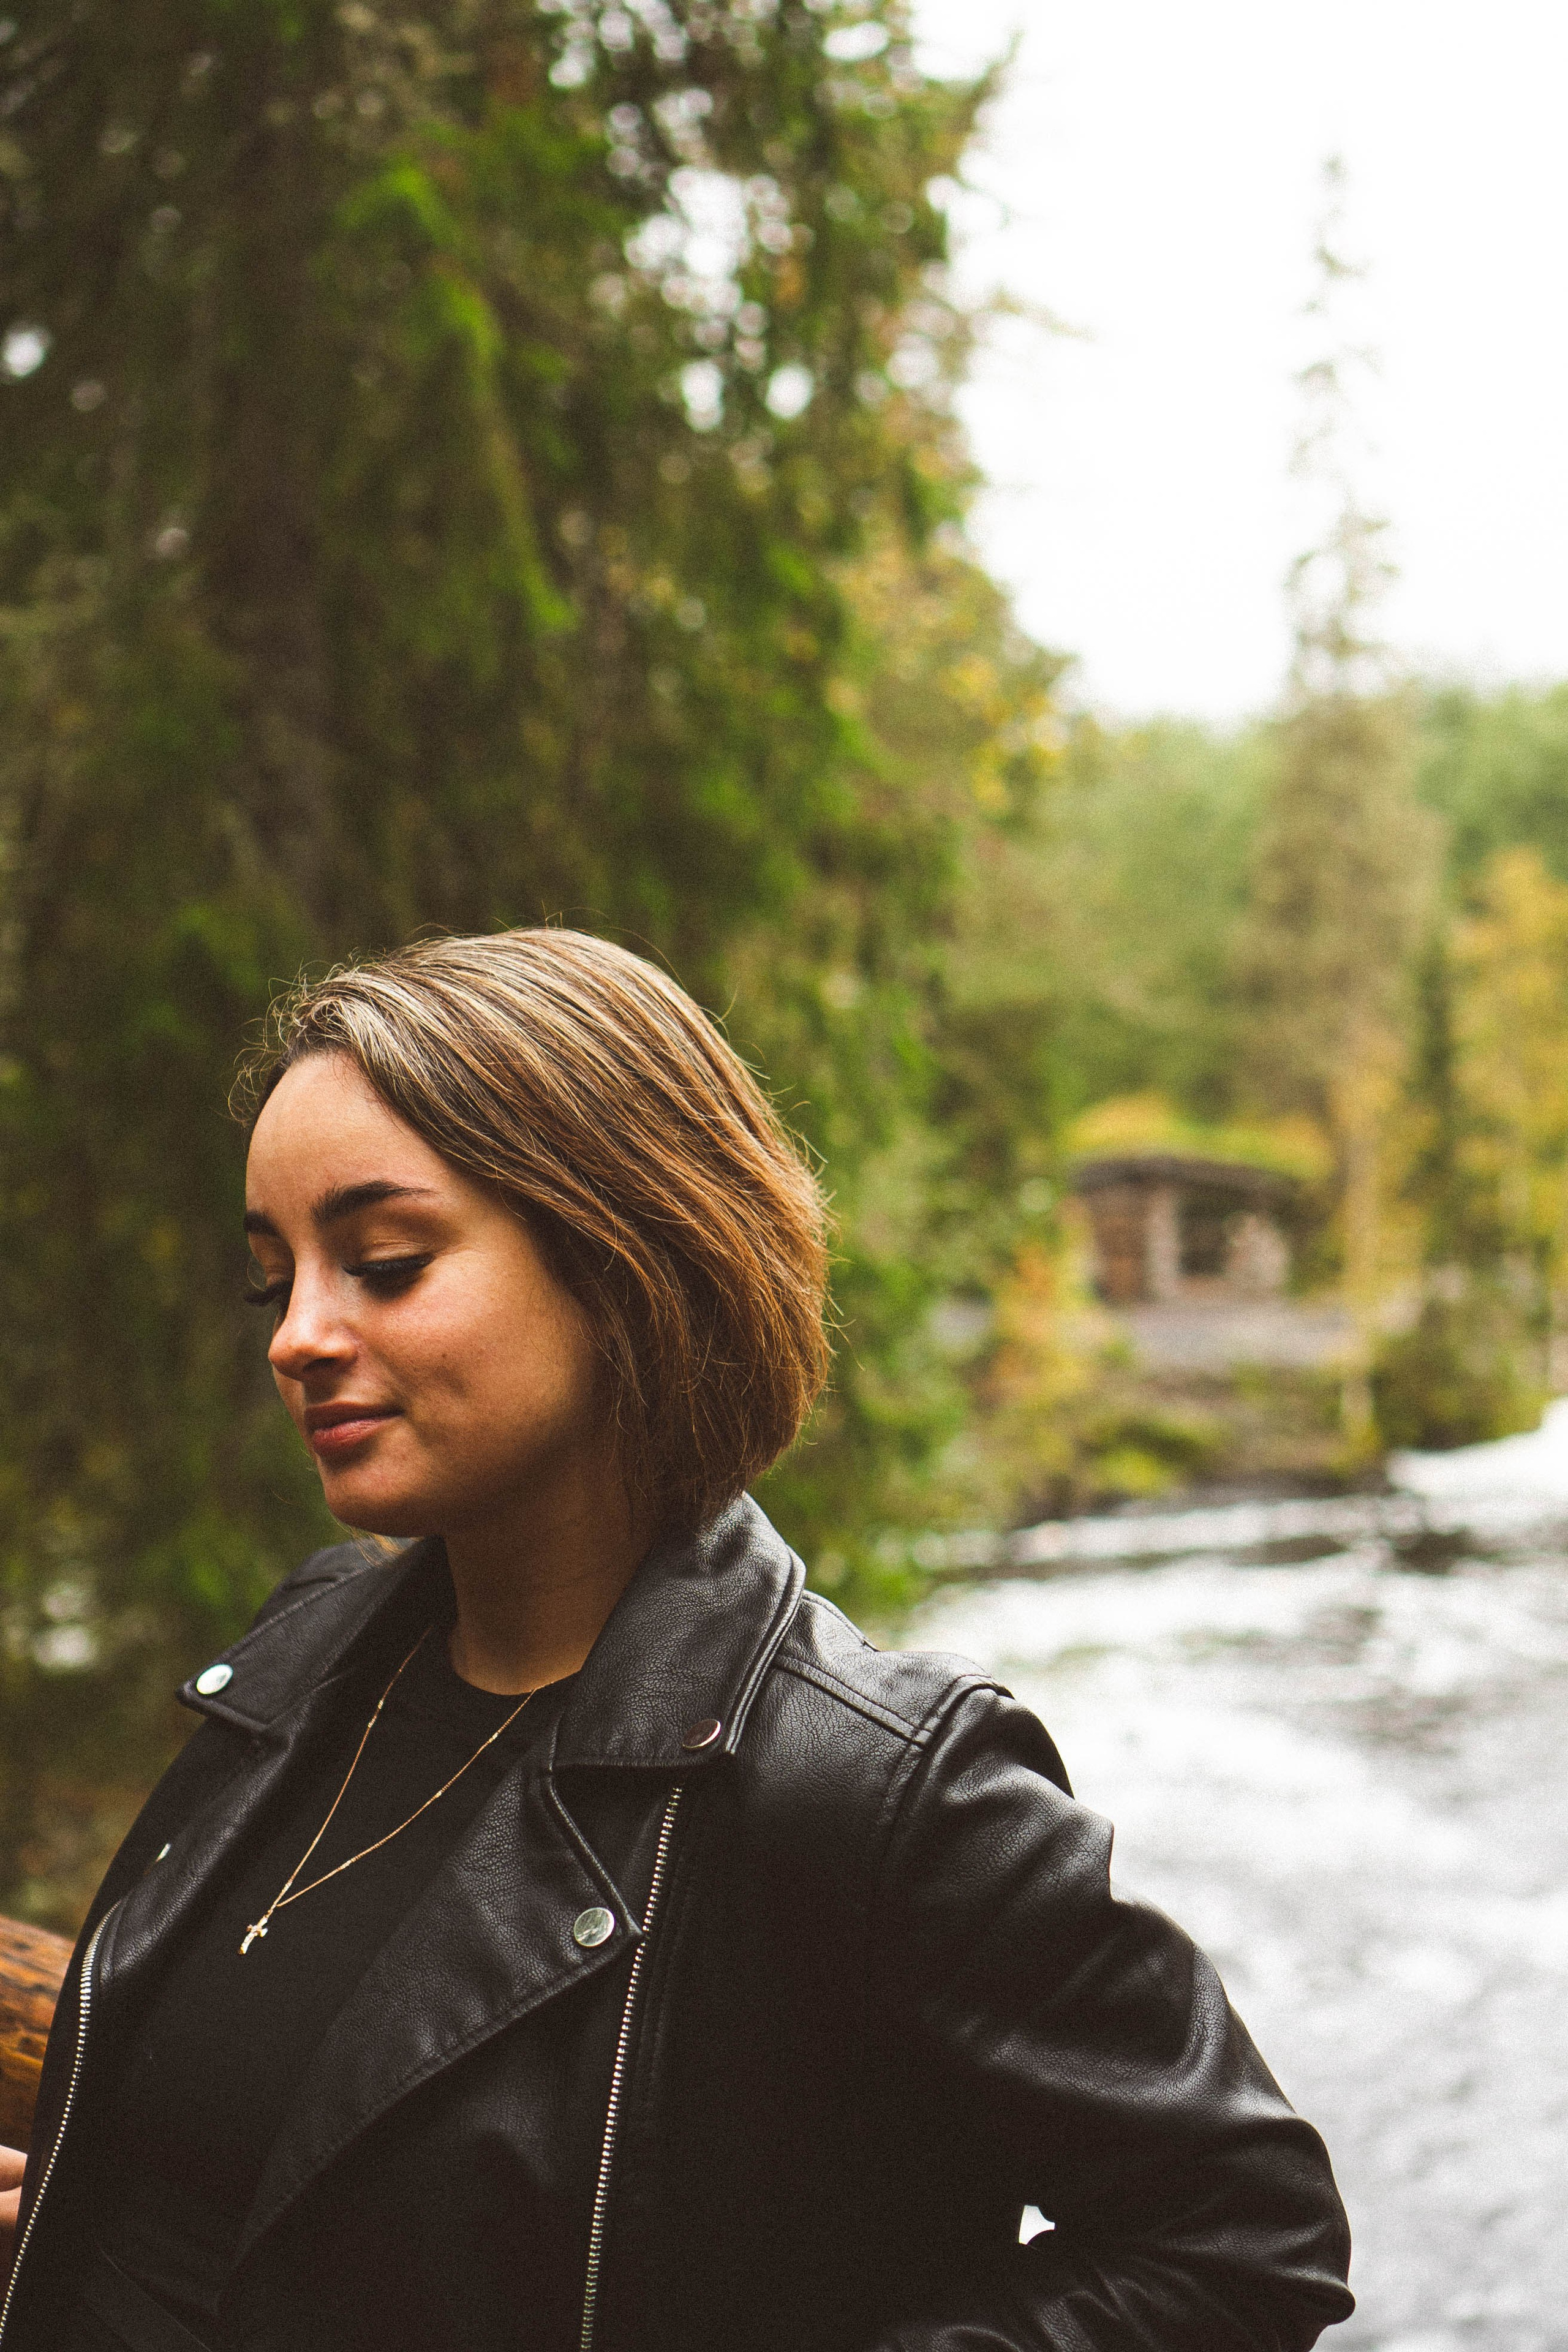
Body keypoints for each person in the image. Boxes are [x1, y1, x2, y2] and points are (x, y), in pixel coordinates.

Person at [0, 929, 1354, 2352]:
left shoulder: (876, 1788)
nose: (297, 1334)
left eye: (384, 1262)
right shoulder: (299, 1659)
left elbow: (1241, 2239)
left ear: (626, 1257)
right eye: (273, 1276)